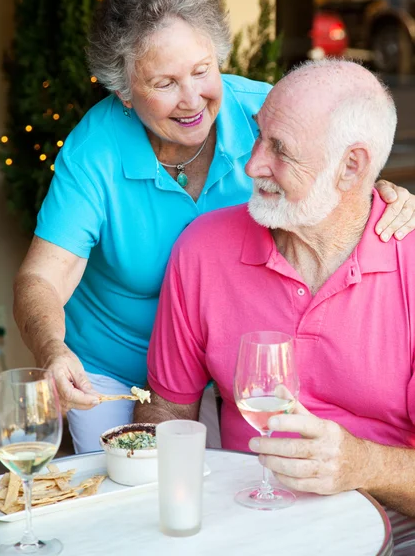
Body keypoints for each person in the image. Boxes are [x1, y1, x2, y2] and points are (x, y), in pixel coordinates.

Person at [13, 0, 414, 455]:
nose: (192, 99)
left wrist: (379, 193)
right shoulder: (96, 151)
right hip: (117, 371)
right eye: (164, 82)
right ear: (123, 91)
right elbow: (42, 279)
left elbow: (335, 168)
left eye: (203, 71)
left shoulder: (264, 117)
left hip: (230, 365)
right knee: (129, 487)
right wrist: (54, 352)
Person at [134, 59, 415, 550]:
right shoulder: (202, 249)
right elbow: (166, 413)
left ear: (352, 166)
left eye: (280, 150)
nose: (252, 165)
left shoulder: (408, 260)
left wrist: (362, 464)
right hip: (240, 525)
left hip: (391, 530)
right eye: (258, 135)